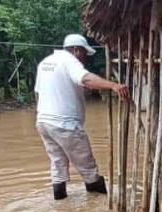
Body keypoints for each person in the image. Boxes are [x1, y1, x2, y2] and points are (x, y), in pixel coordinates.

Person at [34, 34, 130, 200]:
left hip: (43, 122)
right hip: (65, 124)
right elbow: (86, 79)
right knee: (88, 169)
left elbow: (37, 93)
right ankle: (98, 210)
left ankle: (60, 205)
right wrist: (113, 85)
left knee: (58, 164)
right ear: (76, 50)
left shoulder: (46, 62)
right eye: (85, 54)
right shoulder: (70, 61)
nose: (85, 59)